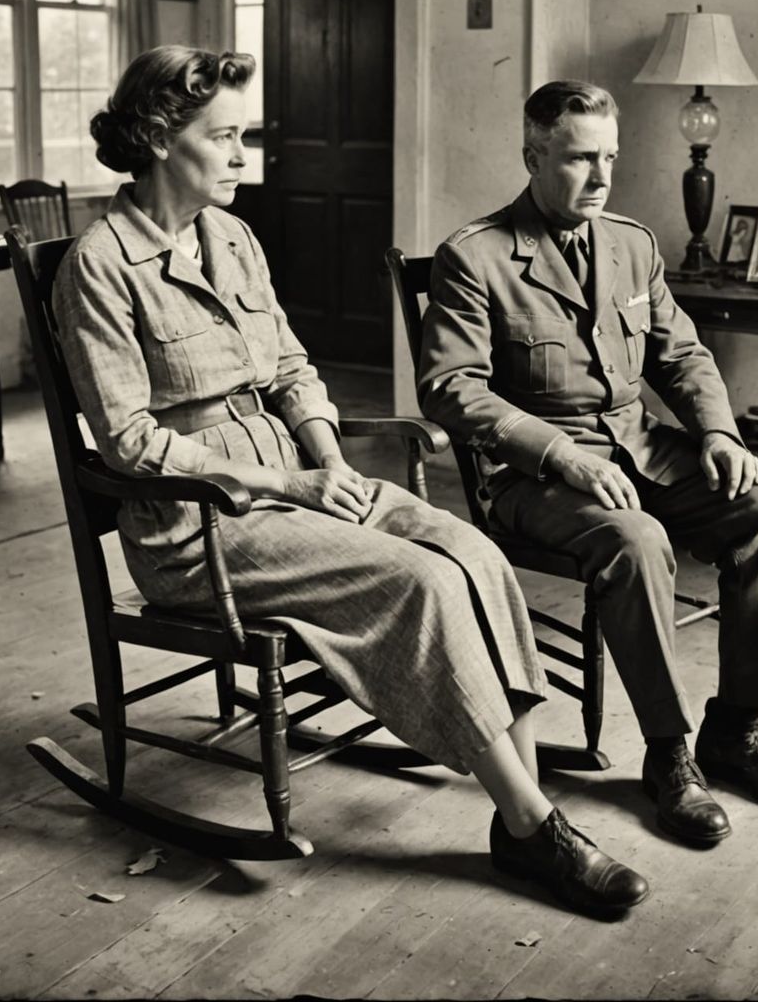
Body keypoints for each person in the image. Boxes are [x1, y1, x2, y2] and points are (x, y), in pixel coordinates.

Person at [52, 47, 648, 918]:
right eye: (224, 137)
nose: (244, 156)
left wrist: (326, 460)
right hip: (197, 529)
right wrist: (286, 487)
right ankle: (535, 825)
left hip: (292, 481)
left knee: (472, 553)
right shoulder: (100, 265)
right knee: (421, 581)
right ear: (159, 139)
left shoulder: (232, 237)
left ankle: (519, 813)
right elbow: (130, 444)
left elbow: (293, 369)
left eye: (244, 135)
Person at [418, 80, 758, 851]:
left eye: (610, 157)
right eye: (580, 159)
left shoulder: (632, 244)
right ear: (533, 157)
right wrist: (561, 455)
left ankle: (734, 732)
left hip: (640, 447)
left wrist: (718, 433)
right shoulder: (474, 256)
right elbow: (451, 388)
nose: (602, 176)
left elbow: (682, 354)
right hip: (533, 475)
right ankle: (669, 756)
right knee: (637, 540)